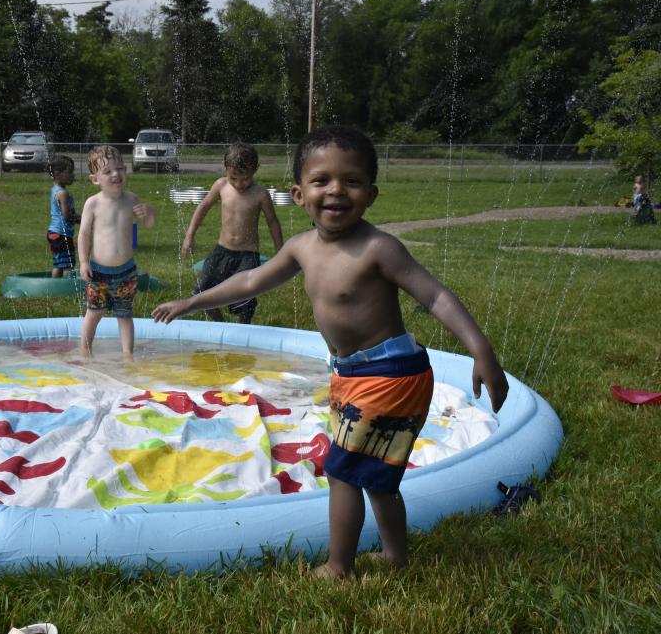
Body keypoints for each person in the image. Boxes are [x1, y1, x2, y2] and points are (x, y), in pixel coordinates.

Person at [153, 125, 508, 579]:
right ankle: (395, 557)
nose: (336, 190)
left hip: (391, 374)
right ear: (299, 194)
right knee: (377, 478)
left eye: (352, 181)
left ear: (372, 194)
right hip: (354, 374)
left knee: (342, 472)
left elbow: (434, 296)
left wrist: (481, 350)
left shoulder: (378, 248)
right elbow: (247, 282)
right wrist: (193, 301)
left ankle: (339, 567)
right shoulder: (302, 248)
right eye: (322, 181)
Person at [181, 142, 284, 324]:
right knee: (201, 292)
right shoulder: (221, 186)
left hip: (248, 255)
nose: (240, 184)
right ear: (225, 167)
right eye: (233, 177)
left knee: (245, 299)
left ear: (256, 169)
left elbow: (272, 222)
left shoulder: (260, 194)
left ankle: (243, 329)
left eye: (245, 178)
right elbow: (202, 208)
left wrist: (280, 251)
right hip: (222, 251)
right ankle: (221, 326)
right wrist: (189, 235)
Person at [78, 145, 156, 357]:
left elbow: (149, 223)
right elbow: (84, 234)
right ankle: (85, 351)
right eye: (108, 171)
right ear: (95, 179)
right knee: (94, 314)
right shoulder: (93, 204)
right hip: (98, 273)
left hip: (126, 272)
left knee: (125, 315)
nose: (116, 174)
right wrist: (84, 262)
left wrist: (149, 211)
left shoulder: (131, 199)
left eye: (120, 168)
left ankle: (127, 355)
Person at [46, 155, 80, 278]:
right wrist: (83, 219)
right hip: (61, 234)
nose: (73, 175)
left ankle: (55, 287)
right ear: (58, 174)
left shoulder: (55, 189)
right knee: (68, 265)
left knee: (59, 263)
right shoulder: (62, 193)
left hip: (55, 233)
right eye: (70, 172)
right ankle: (65, 289)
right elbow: (67, 216)